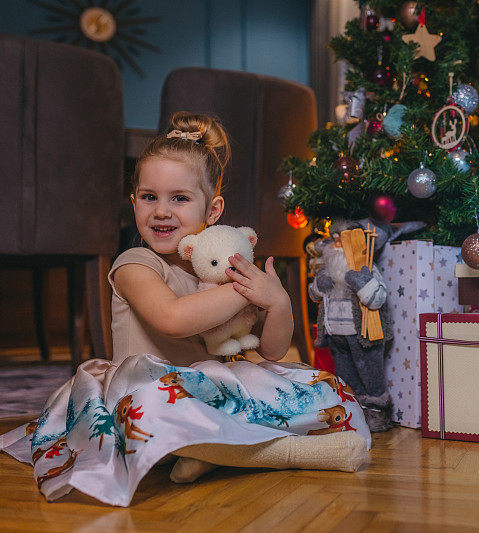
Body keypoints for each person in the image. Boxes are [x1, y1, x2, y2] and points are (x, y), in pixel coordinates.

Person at [0, 112, 370, 507]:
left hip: (210, 390)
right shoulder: (135, 264)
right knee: (155, 404)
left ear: (212, 211)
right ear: (134, 202)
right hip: (145, 395)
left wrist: (277, 301)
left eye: (179, 198)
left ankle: (203, 452)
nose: (161, 211)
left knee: (323, 388)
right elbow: (173, 319)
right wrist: (247, 292)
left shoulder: (222, 267)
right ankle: (277, 453)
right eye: (148, 197)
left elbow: (274, 349)